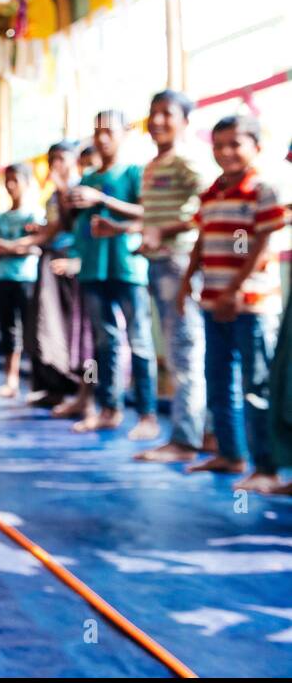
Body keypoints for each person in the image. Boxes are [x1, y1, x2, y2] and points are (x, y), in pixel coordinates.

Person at [182, 116, 288, 493]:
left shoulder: (263, 190)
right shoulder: (211, 194)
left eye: (235, 143)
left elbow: (259, 247)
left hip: (251, 305)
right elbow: (201, 241)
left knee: (256, 386)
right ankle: (231, 454)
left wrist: (234, 291)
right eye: (219, 144)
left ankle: (266, 466)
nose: (226, 152)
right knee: (219, 379)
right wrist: (186, 283)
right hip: (213, 302)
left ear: (256, 147)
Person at [66, 110, 159, 439]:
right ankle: (109, 409)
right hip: (92, 269)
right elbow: (74, 227)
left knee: (139, 342)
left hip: (128, 268)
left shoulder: (135, 172)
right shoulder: (86, 178)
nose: (102, 138)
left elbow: (150, 212)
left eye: (108, 131)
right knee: (104, 344)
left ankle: (147, 414)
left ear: (125, 133)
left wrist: (103, 199)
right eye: (97, 131)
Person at [134, 90, 209, 462]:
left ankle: (184, 440)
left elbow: (210, 204)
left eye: (167, 113)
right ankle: (205, 434)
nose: (158, 120)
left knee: (184, 351)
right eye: (153, 113)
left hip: (182, 263)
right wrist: (147, 236)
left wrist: (165, 232)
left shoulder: (186, 160)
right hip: (159, 262)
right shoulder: (152, 165)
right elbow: (159, 216)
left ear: (184, 121)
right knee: (184, 348)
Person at [22, 142, 95, 415]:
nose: (56, 165)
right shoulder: (53, 195)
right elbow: (54, 229)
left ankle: (83, 393)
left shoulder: (82, 189)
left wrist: (77, 262)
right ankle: (55, 389)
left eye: (62, 159)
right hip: (53, 262)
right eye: (52, 159)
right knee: (47, 330)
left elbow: (75, 227)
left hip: (76, 265)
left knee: (81, 336)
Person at [0, 163, 42, 398]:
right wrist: (14, 248)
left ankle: (37, 382)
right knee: (8, 329)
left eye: (15, 180)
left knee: (32, 330)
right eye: (7, 180)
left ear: (27, 183)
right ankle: (11, 379)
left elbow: (36, 248)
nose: (10, 185)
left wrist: (6, 248)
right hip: (3, 278)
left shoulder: (34, 216)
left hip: (28, 278)